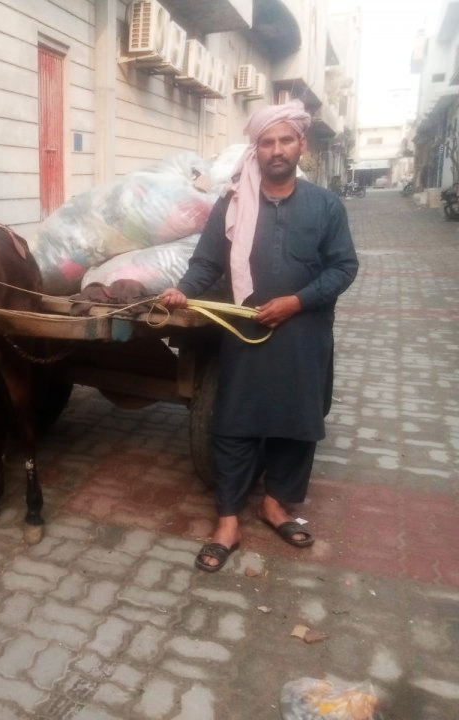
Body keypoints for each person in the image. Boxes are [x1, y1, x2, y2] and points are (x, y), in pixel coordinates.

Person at [159, 100, 359, 572]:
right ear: (257, 148)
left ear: (300, 146)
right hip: (245, 330)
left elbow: (344, 266)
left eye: (285, 140)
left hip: (304, 331)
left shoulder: (325, 205)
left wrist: (296, 301)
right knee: (232, 424)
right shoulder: (232, 203)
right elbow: (207, 263)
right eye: (266, 141)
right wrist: (182, 291)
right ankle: (228, 520)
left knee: (297, 422)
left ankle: (275, 504)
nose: (276, 149)